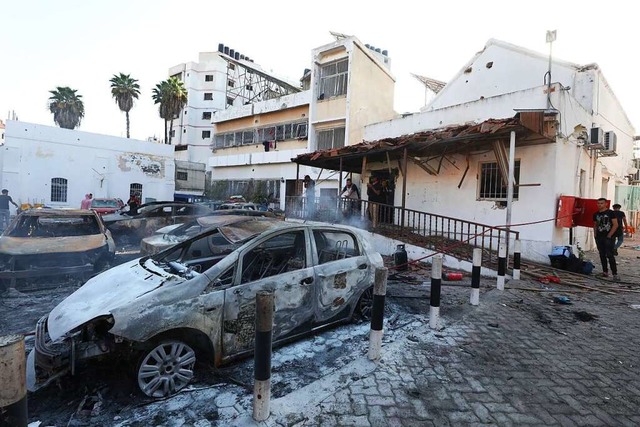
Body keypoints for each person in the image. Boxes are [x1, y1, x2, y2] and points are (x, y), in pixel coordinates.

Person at [593, 198, 619, 281]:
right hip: (599, 237)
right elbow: (595, 225)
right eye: (598, 203)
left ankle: (614, 273)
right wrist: (595, 235)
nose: (599, 205)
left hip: (609, 237)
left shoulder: (610, 213)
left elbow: (615, 224)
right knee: (602, 254)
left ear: (606, 204)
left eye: (601, 203)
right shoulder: (596, 214)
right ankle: (605, 271)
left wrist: (610, 235)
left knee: (610, 255)